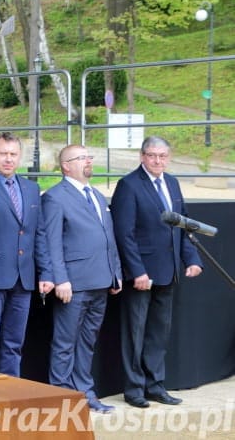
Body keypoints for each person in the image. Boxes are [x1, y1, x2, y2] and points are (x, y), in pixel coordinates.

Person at [111, 136, 203, 408]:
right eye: (152, 155)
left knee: (158, 333)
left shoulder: (172, 182)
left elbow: (183, 225)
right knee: (135, 333)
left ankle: (155, 385)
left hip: (168, 272)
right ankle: (134, 389)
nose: (157, 160)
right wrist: (136, 271)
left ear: (169, 157)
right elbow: (123, 234)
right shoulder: (128, 185)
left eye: (162, 156)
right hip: (141, 275)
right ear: (142, 156)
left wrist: (191, 259)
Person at [41, 144, 122, 413]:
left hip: (100, 281)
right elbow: (52, 243)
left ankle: (85, 395)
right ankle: (63, 401)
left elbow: (108, 238)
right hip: (73, 285)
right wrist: (60, 279)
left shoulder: (97, 196)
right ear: (66, 165)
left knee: (87, 343)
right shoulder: (55, 197)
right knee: (65, 344)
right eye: (82, 158)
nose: (89, 161)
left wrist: (115, 273)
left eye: (90, 157)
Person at [0, 132, 51, 376]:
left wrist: (45, 272)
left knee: (14, 343)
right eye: (3, 153)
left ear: (20, 156)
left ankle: (9, 396)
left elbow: (39, 233)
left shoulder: (32, 188)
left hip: (23, 279)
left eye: (13, 154)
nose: (8, 159)